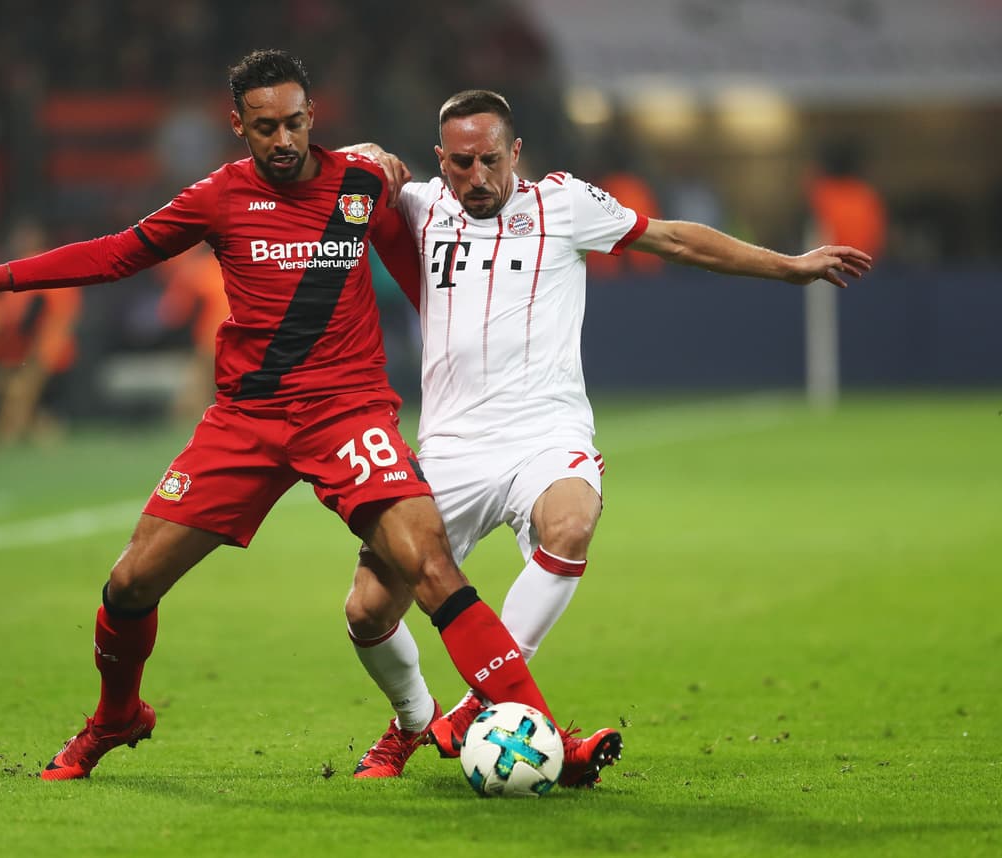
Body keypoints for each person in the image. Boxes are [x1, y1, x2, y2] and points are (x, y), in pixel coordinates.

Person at [0, 53, 605, 786]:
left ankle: (548, 738)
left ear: (314, 116)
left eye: (296, 122)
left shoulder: (363, 182)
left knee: (431, 567)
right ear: (237, 124)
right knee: (128, 586)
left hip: (347, 414)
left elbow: (425, 274)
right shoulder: (218, 197)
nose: (283, 140)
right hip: (246, 422)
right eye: (266, 126)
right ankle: (117, 715)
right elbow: (117, 255)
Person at [343, 90, 872, 781]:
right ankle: (412, 720)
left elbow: (675, 238)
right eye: (462, 163)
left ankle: (482, 699)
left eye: (491, 161)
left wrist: (789, 265)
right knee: (366, 613)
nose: (476, 178)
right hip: (450, 448)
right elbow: (345, 175)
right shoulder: (419, 207)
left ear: (517, 153)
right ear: (440, 160)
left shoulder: (565, 205)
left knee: (571, 522)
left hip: (545, 431)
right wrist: (363, 157)